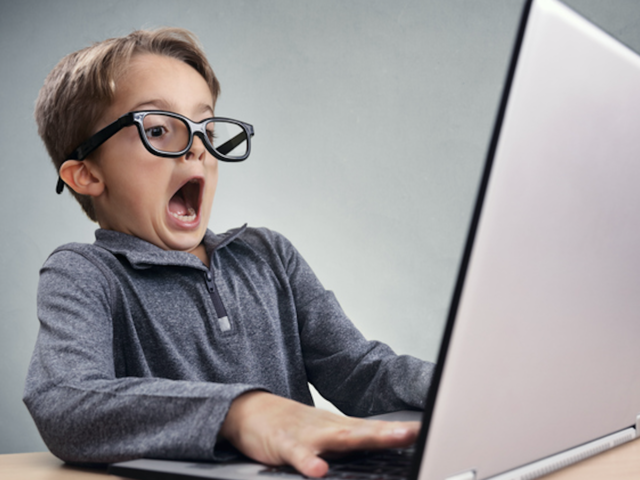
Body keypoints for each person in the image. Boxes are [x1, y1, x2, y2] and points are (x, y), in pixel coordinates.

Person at [23, 27, 434, 478]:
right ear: (86, 175)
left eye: (208, 128)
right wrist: (241, 413)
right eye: (158, 129)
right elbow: (64, 400)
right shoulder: (85, 274)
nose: (198, 147)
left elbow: (361, 372)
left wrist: (452, 387)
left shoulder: (270, 255)